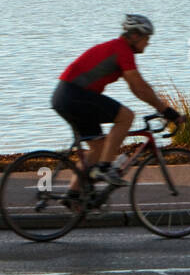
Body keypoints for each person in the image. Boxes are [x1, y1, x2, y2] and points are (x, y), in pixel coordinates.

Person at [51, 14, 182, 190]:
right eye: (146, 38)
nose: (148, 43)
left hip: (65, 96)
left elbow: (136, 89)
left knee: (98, 148)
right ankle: (105, 169)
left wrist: (161, 107)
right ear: (135, 35)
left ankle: (73, 195)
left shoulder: (117, 49)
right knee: (126, 116)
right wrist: (168, 111)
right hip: (74, 95)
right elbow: (140, 87)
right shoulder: (122, 50)